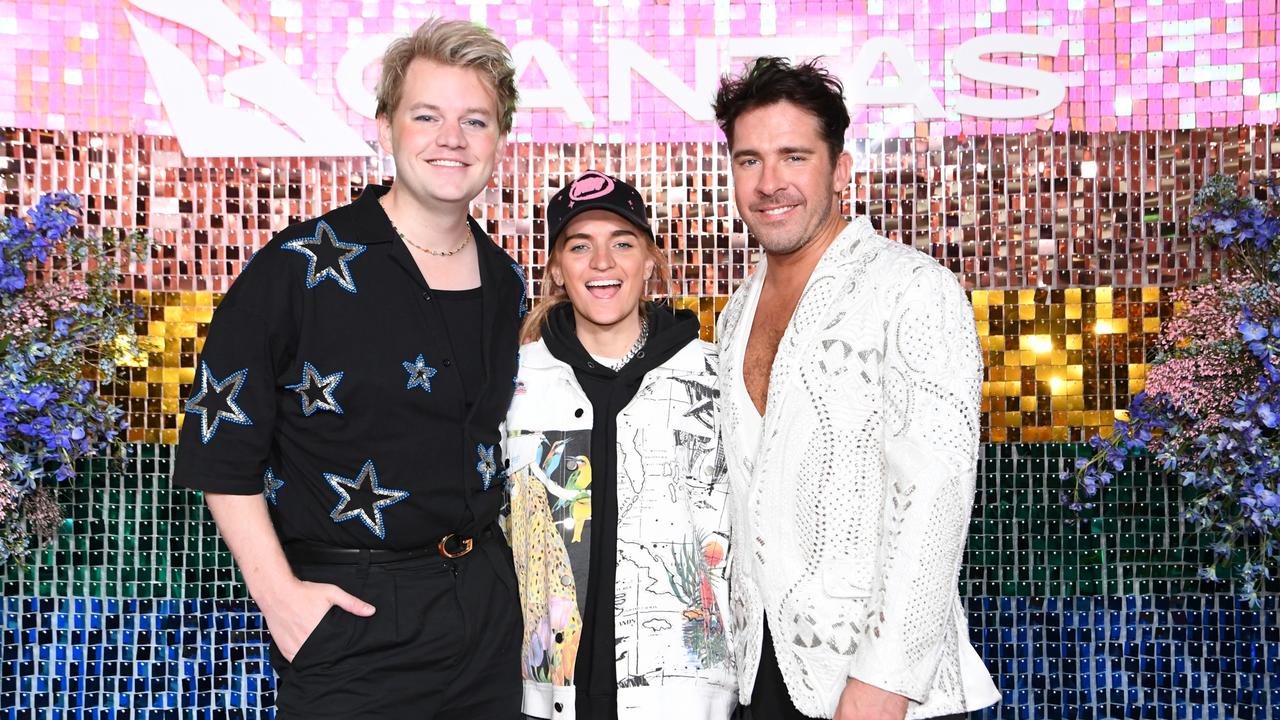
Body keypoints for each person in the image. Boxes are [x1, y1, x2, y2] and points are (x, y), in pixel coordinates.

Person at [172, 18, 525, 718]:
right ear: (386, 126)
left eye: (474, 120)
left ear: (499, 141)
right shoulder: (299, 266)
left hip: (487, 610)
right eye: (427, 116)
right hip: (355, 614)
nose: (450, 139)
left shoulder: (506, 280)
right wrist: (282, 600)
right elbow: (217, 447)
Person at [711, 57, 1001, 720]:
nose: (770, 182)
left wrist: (883, 685)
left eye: (794, 156)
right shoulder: (735, 315)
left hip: (878, 693)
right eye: (750, 159)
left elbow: (934, 496)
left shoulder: (912, 289)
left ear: (840, 171)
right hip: (764, 680)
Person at [502, 171, 736, 719]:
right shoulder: (513, 383)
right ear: (557, 269)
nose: (602, 262)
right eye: (580, 246)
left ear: (650, 260)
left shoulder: (714, 374)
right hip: (544, 697)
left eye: (622, 243)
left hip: (685, 697)